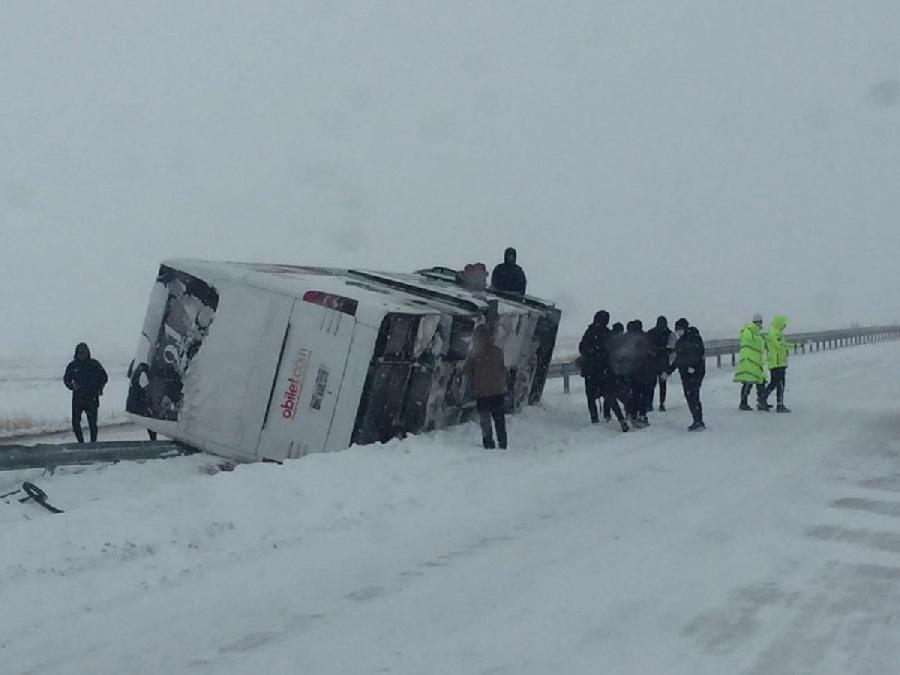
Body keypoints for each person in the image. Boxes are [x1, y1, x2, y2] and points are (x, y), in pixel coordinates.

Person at [578, 311, 628, 431]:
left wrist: (591, 352)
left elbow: (582, 348)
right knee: (609, 396)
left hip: (592, 371)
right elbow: (612, 352)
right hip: (603, 371)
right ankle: (620, 419)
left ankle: (595, 420)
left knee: (591, 397)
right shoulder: (606, 333)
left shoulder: (590, 331)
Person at [464, 325, 508, 449]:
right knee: (499, 419)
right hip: (497, 391)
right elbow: (503, 368)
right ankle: (503, 442)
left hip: (481, 393)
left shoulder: (475, 354)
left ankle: (488, 442)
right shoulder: (498, 351)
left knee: (485, 419)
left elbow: (466, 370)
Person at [609, 320, 654, 427]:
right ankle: (641, 415)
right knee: (643, 394)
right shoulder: (645, 338)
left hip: (628, 371)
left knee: (632, 394)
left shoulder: (623, 339)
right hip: (643, 371)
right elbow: (650, 353)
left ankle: (631, 413)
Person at [63, 342, 108, 443]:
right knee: (75, 422)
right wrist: (71, 385)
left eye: (84, 353)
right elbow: (66, 379)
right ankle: (81, 442)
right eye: (80, 353)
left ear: (88, 353)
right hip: (78, 398)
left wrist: (100, 388)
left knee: (92, 423)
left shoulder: (94, 364)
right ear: (76, 353)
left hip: (92, 398)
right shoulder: (73, 365)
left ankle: (93, 443)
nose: (82, 355)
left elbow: (104, 377)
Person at [667, 318, 706, 430]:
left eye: (679, 329)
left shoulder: (695, 338)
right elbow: (678, 359)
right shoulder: (680, 342)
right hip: (685, 374)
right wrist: (669, 371)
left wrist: (693, 367)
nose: (678, 332)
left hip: (696, 372)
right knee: (689, 396)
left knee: (693, 395)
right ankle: (697, 420)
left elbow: (699, 353)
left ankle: (698, 421)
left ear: (684, 328)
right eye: (676, 330)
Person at [734, 313, 770, 411]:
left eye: (761, 322)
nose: (760, 324)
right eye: (758, 322)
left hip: (756, 362)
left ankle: (762, 402)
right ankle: (743, 403)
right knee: (748, 382)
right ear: (755, 322)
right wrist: (760, 338)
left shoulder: (757, 332)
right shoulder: (748, 330)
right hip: (749, 362)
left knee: (761, 381)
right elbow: (751, 339)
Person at [762, 314, 796, 412]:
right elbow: (780, 346)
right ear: (779, 323)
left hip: (777, 362)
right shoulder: (775, 333)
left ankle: (762, 400)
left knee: (774, 383)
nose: (785, 326)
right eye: (784, 324)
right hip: (777, 363)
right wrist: (794, 346)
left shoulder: (776, 332)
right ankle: (779, 405)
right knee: (780, 384)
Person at [646, 315, 673, 411]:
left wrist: (654, 351)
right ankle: (661, 404)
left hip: (653, 362)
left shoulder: (651, 333)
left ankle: (650, 404)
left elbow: (647, 347)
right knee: (662, 384)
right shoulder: (669, 333)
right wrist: (664, 349)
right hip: (663, 362)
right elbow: (672, 348)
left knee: (651, 385)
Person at [126, 359, 158, 440]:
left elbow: (129, 376)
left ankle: (152, 436)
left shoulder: (136, 365)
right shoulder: (142, 371)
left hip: (138, 396)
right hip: (142, 396)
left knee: (149, 416)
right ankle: (153, 437)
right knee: (151, 415)